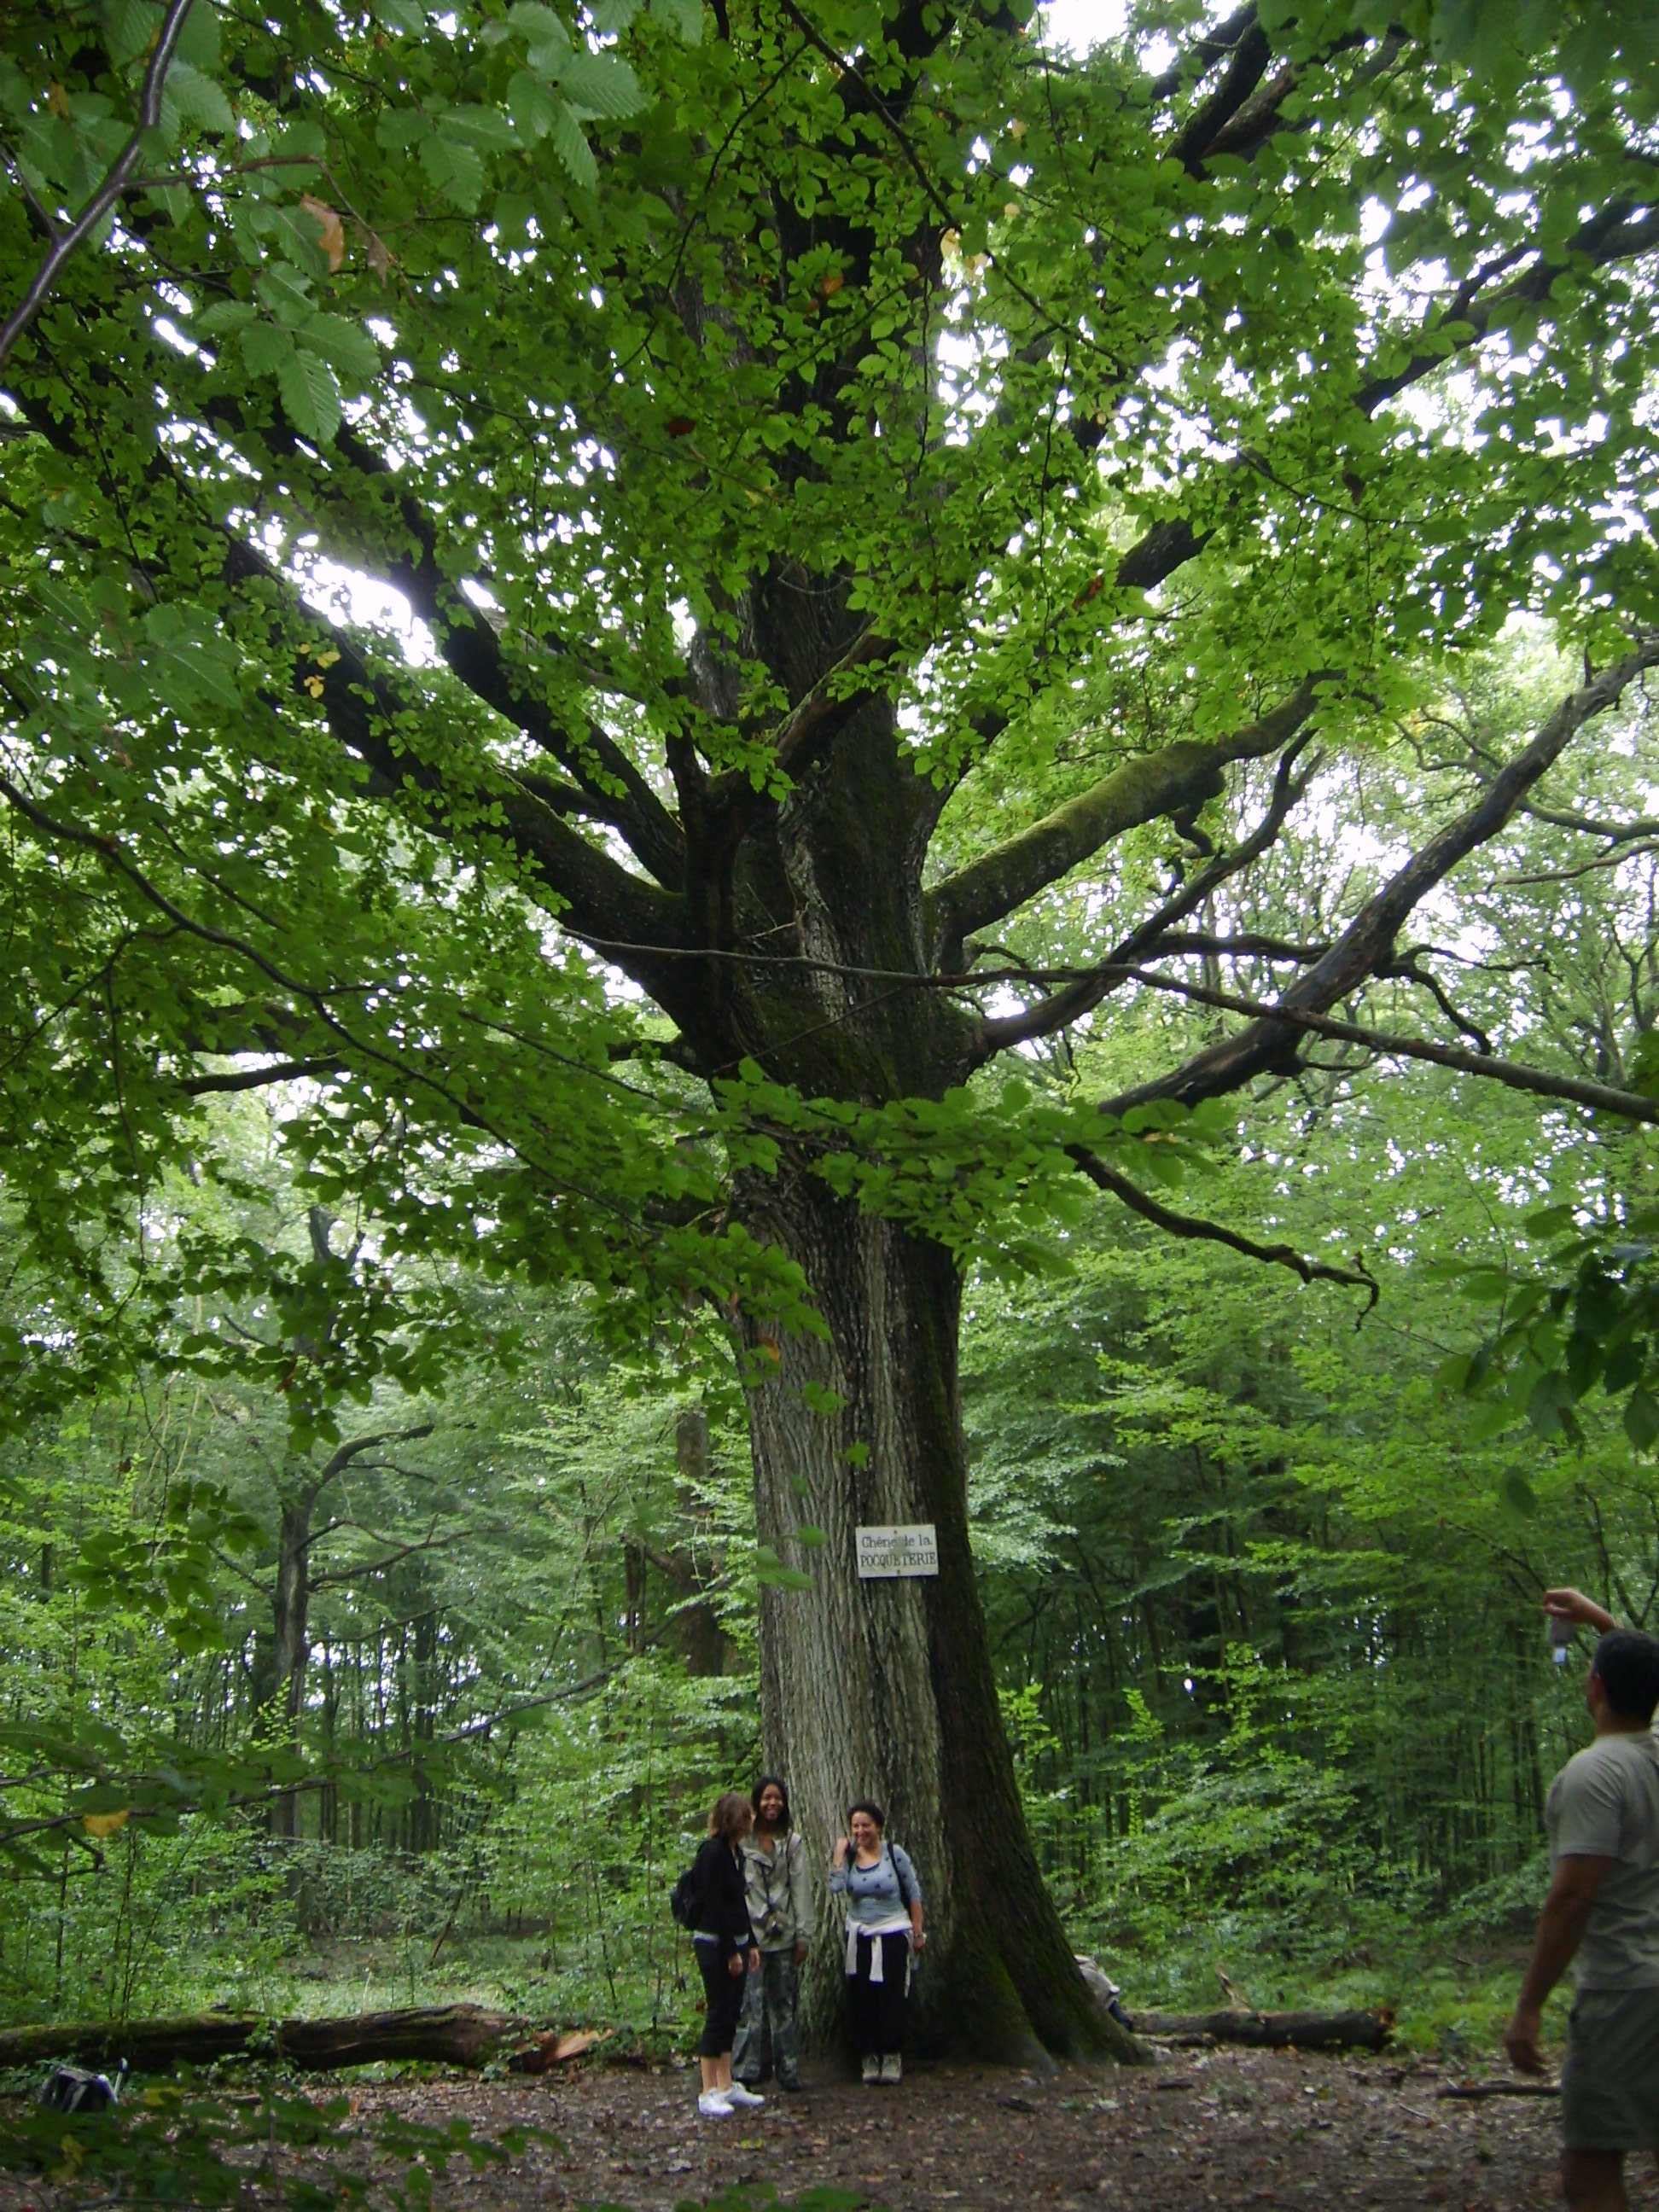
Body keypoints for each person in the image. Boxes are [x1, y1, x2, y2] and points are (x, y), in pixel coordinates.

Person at [1505, 1599, 1659, 2212]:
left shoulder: (1594, 1774)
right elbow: (1646, 1672)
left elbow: (1573, 1898)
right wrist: (1602, 1623)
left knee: (1590, 2172)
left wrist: (1528, 2008)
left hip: (1625, 1994)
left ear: (1594, 1687)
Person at [829, 1799, 923, 2084]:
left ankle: (892, 2055)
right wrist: (838, 1854)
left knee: (891, 1996)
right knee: (862, 1996)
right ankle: (868, 2056)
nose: (860, 1831)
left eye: (866, 1825)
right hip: (859, 1935)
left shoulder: (894, 1854)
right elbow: (836, 1887)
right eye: (855, 1826)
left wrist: (918, 1932)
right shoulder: (848, 1858)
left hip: (893, 1933)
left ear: (878, 1826)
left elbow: (913, 1892)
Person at [733, 1774, 815, 2093]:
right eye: (766, 1798)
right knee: (749, 2007)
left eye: (777, 1798)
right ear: (756, 1802)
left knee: (783, 2007)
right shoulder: (742, 1844)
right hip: (750, 1938)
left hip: (783, 1936)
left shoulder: (792, 1844)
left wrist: (804, 1935)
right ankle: (745, 2072)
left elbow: (801, 1890)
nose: (772, 1803)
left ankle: (788, 2070)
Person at [688, 1790, 764, 2118]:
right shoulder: (712, 1853)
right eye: (747, 1815)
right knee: (718, 2012)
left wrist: (751, 1943)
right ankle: (707, 2091)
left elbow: (738, 1904)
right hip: (713, 1943)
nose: (752, 1820)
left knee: (732, 2012)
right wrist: (731, 1952)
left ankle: (725, 2083)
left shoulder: (737, 1854)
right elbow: (715, 1905)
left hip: (737, 1942)